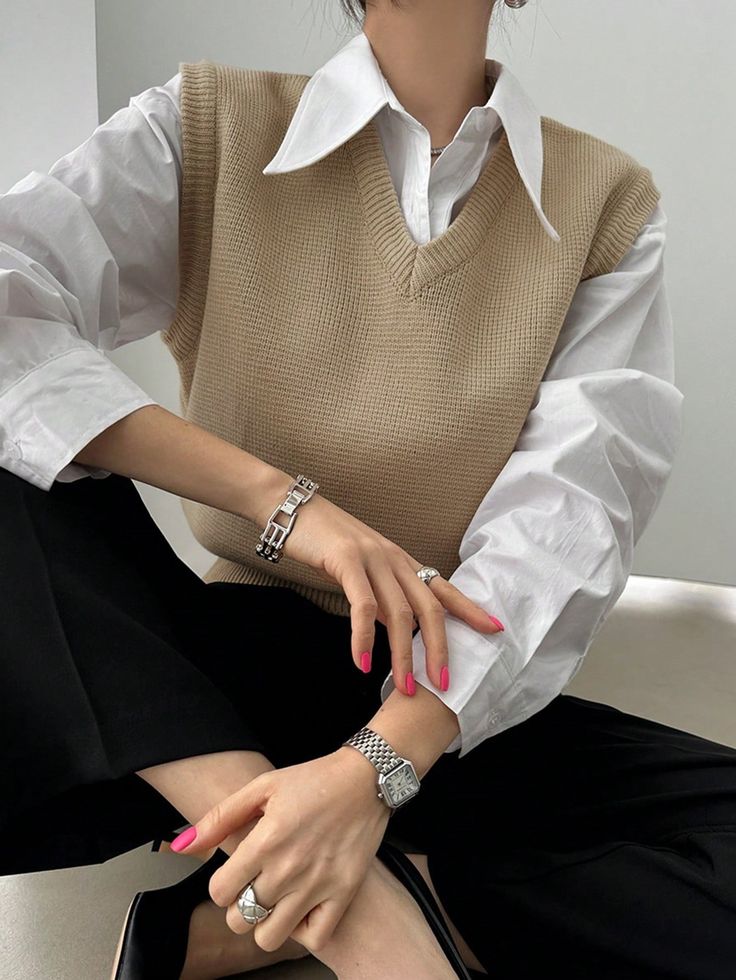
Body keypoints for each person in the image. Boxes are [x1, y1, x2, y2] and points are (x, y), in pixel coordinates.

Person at [2, 0, 736, 977]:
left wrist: (369, 773)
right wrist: (282, 503)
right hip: (183, 691)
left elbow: (567, 524)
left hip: (425, 686)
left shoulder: (600, 204)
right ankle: (363, 918)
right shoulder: (209, 129)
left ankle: (262, 904)